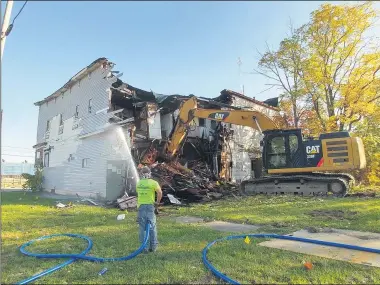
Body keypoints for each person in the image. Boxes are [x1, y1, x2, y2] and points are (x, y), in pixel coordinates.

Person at [136, 166, 162, 253]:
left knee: (142, 228)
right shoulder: (153, 183)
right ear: (150, 174)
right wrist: (157, 202)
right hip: (150, 206)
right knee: (152, 227)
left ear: (141, 174)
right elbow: (159, 192)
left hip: (141, 207)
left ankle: (144, 248)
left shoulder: (139, 183)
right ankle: (153, 247)